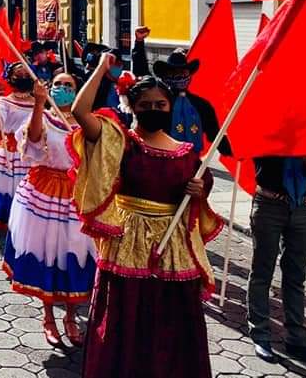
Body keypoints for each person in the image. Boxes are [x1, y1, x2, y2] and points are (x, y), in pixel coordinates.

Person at [71, 55, 222, 378]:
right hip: (128, 242)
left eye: (161, 105)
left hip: (173, 249)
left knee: (172, 320)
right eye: (146, 105)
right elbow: (80, 112)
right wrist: (101, 69)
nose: (154, 110)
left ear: (170, 108)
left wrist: (198, 192)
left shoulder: (187, 152)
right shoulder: (121, 141)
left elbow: (196, 203)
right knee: (126, 318)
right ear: (131, 105)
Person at [3, 75, 95, 347]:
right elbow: (31, 141)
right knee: (45, 253)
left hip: (76, 195)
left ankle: (70, 314)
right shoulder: (42, 116)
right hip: (42, 193)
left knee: (73, 254)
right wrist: (39, 103)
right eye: (59, 84)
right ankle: (47, 317)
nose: (63, 89)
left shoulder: (88, 123)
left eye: (70, 86)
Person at [247, 154, 306, 367]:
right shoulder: (270, 130)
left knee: (295, 276)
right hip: (268, 204)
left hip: (301, 208)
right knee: (262, 272)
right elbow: (262, 169)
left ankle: (297, 339)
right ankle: (260, 334)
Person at [134, 48, 230, 155]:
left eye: (183, 73)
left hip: (192, 165)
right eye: (174, 73)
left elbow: (215, 136)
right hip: (160, 160)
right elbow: (141, 78)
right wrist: (139, 43)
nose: (179, 76)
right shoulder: (159, 104)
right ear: (165, 76)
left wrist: (240, 152)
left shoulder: (201, 105)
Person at [0, 63, 35, 230]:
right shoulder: (4, 101)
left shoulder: (40, 103)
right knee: (2, 185)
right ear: (11, 78)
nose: (23, 77)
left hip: (28, 151)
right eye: (19, 75)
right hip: (7, 150)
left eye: (26, 74)